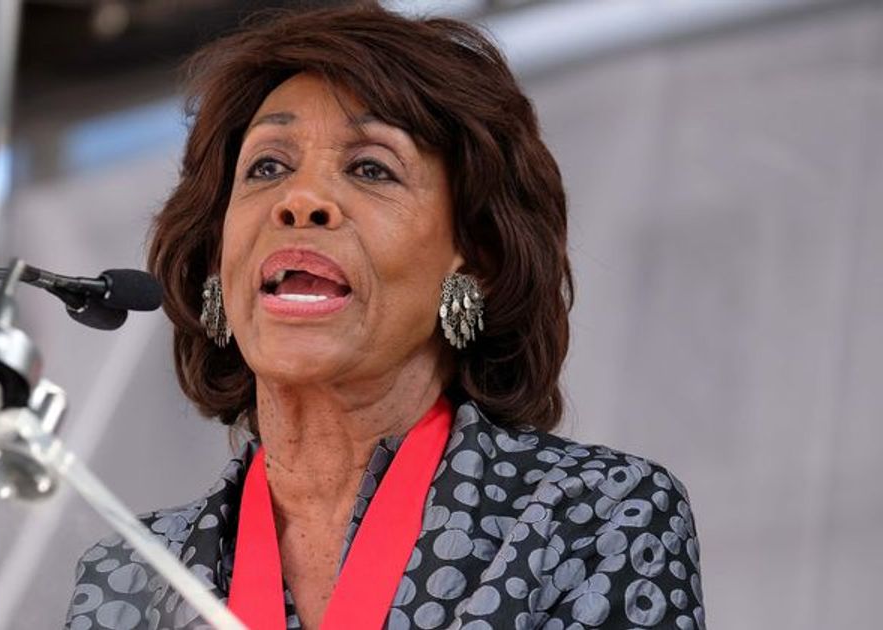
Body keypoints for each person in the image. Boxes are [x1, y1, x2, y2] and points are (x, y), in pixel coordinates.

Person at [65, 6, 703, 629]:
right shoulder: (133, 576)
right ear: (216, 261)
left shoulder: (596, 519)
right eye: (267, 166)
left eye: (372, 168)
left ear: (475, 258)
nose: (301, 200)